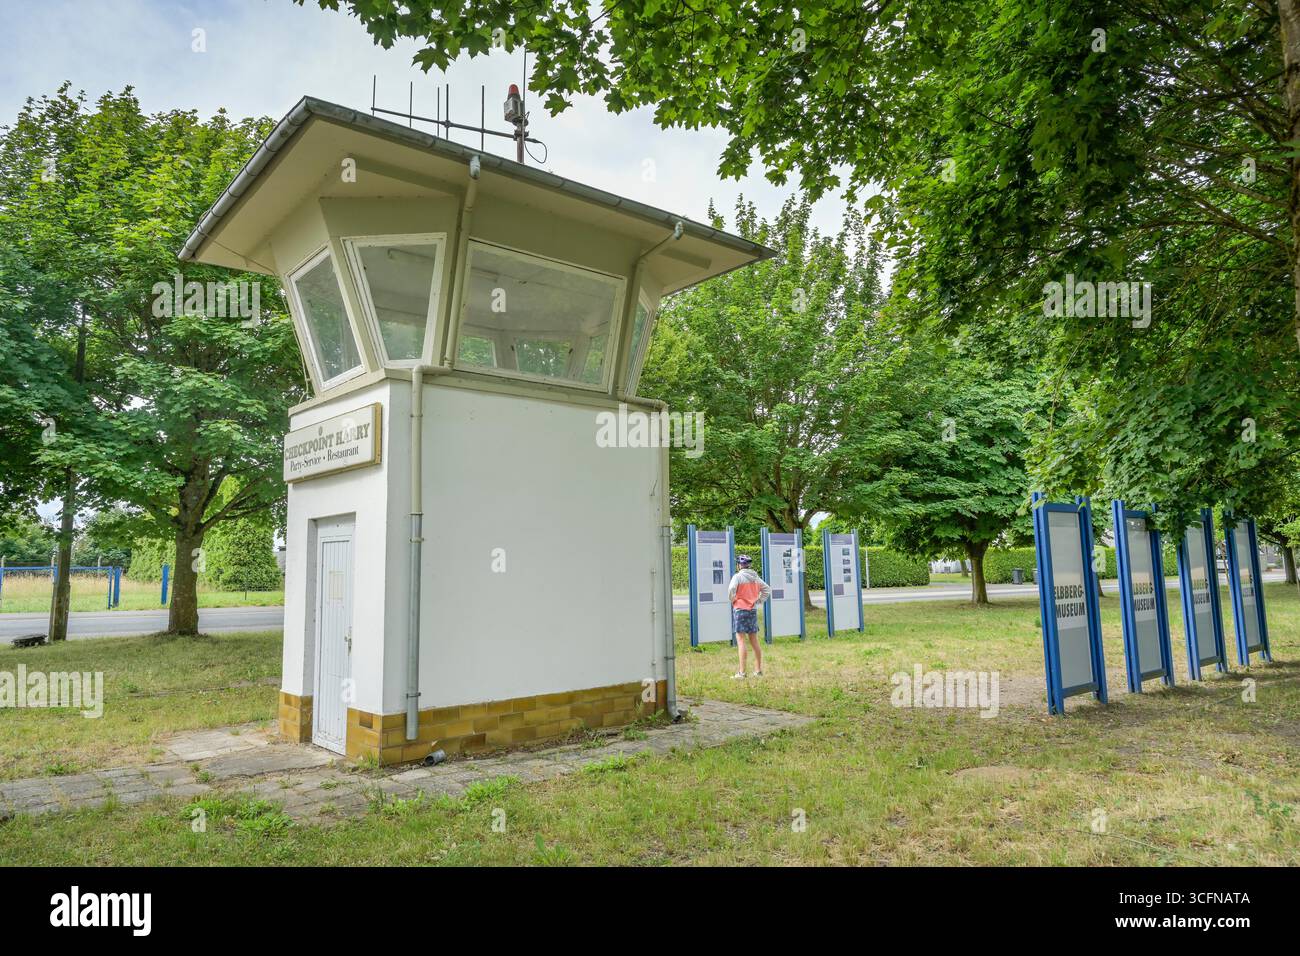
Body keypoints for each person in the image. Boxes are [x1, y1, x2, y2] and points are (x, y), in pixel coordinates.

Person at [728, 554, 771, 678]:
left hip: (740, 610)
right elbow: (767, 589)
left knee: (741, 641)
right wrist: (758, 600)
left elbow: (731, 589)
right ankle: (758, 671)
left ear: (739, 565)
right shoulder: (756, 577)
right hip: (752, 610)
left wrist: (733, 599)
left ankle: (742, 673)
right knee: (754, 640)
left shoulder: (737, 577)